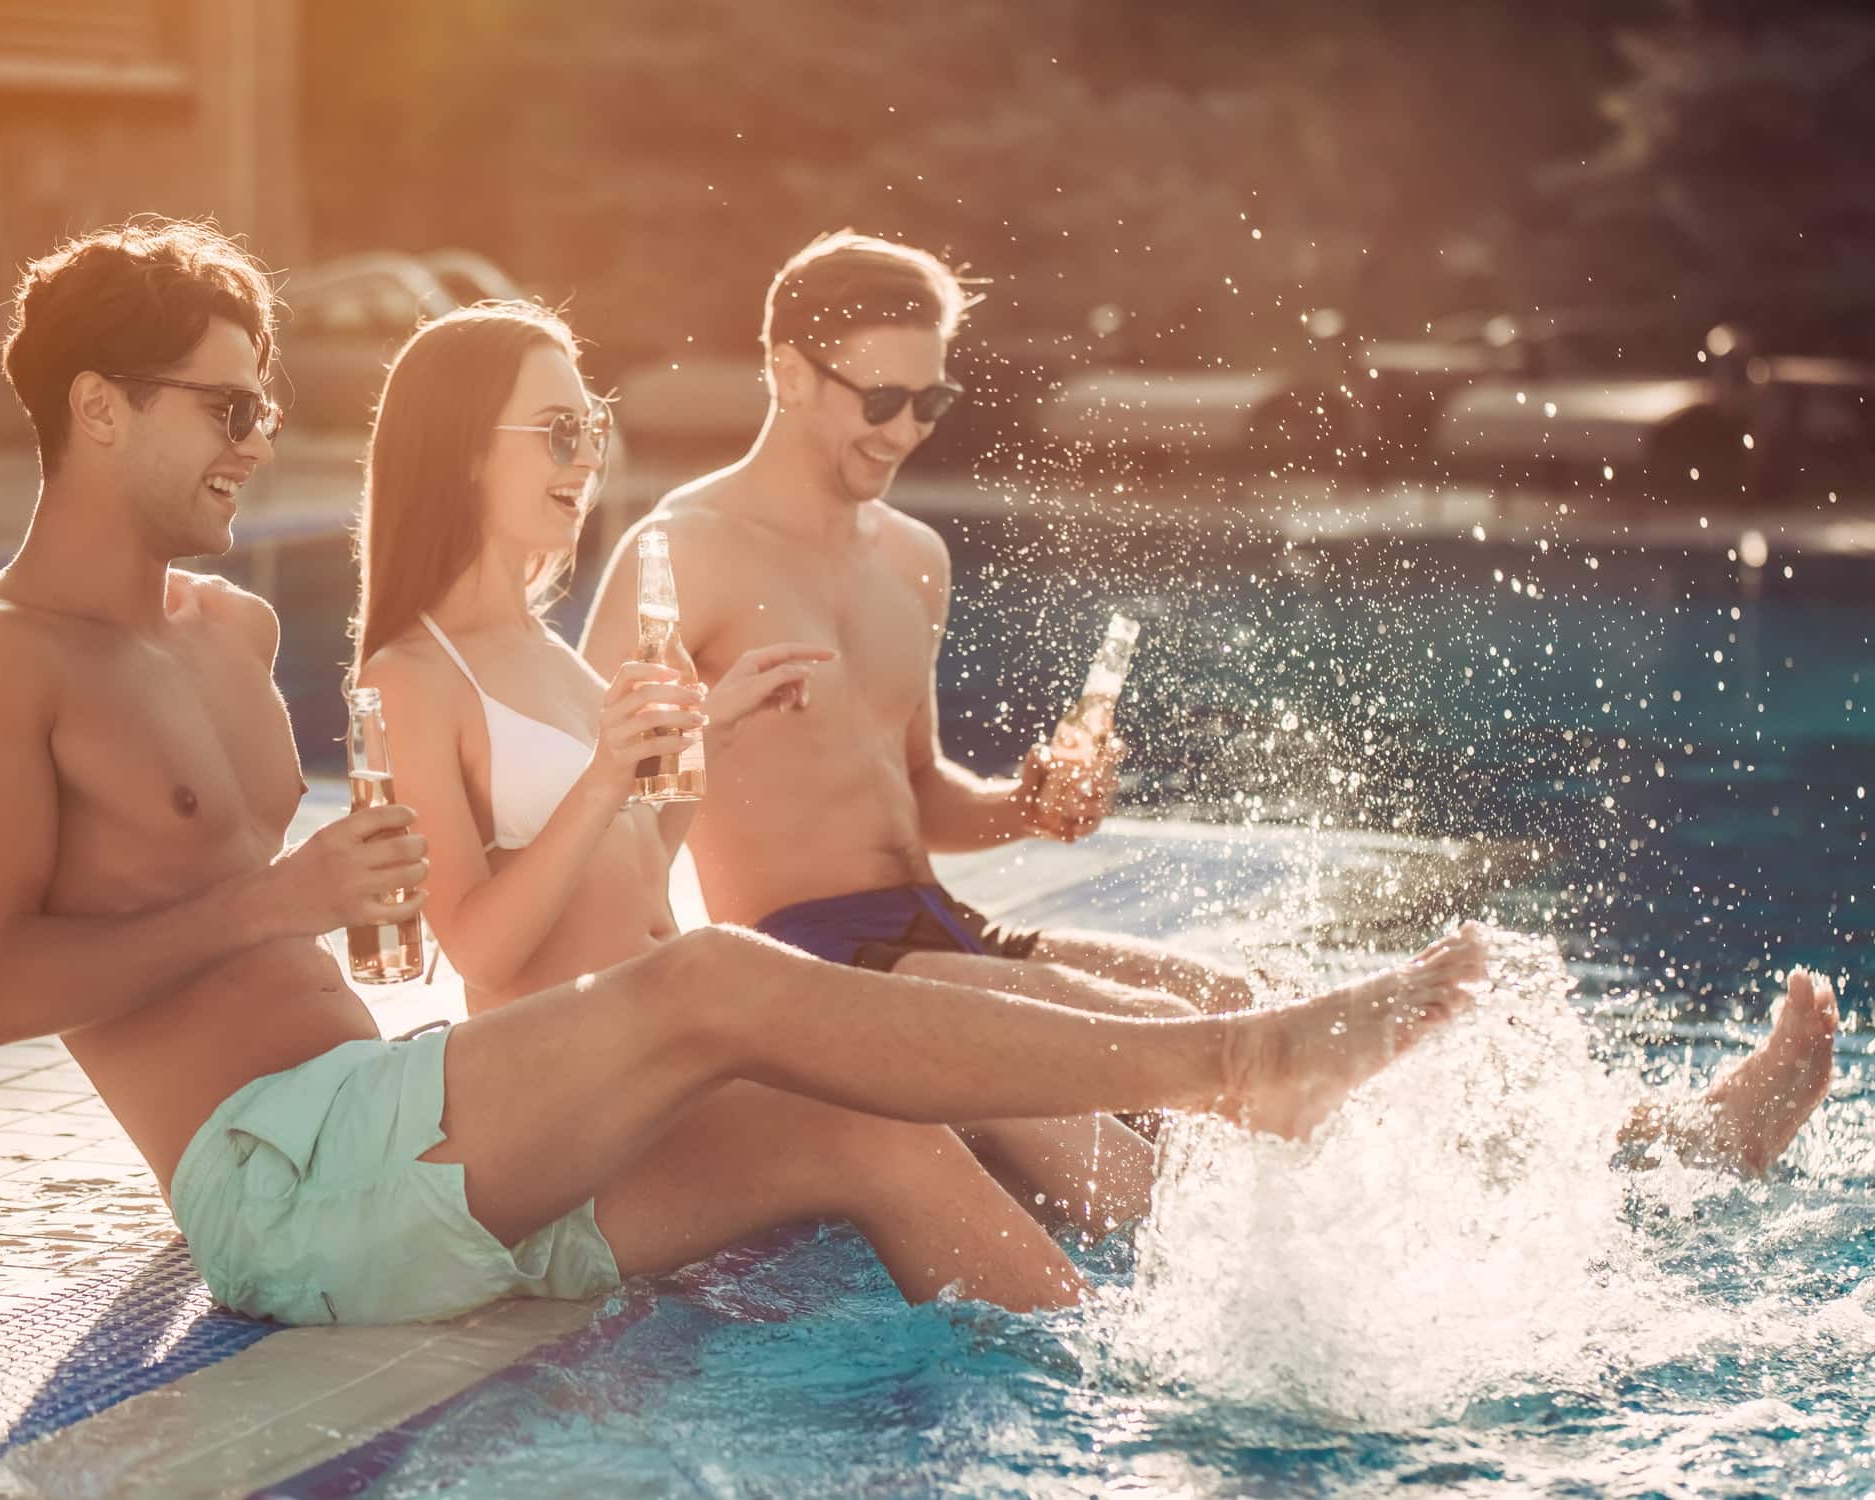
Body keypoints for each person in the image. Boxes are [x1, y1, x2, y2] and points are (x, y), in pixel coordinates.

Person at [0, 223, 1491, 1327]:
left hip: (411, 1136)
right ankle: (1232, 1067)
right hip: (272, 1186)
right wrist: (287, 897)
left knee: (869, 1141)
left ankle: (1105, 1405)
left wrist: (665, 775)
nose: (256, 437)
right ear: (97, 410)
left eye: (270, 404)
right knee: (718, 981)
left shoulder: (229, 628)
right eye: (226, 406)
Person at [579, 229, 1840, 1177]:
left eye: (934, 399)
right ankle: (1499, 1184)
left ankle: (1660, 1139)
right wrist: (697, 736)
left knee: (1246, 996)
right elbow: (587, 811)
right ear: (786, 374)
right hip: (813, 962)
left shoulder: (912, 555)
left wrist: (1028, 804)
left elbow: (916, 798)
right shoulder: (681, 551)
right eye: (880, 398)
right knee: (1178, 1049)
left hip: (937, 925)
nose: (907, 429)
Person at [351, 300, 1507, 1248]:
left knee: (1191, 998)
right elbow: (492, 946)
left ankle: (1389, 1219)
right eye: (555, 432)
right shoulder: (523, 625)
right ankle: (1224, 1242)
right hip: (704, 1015)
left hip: (798, 981)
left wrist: (718, 743)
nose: (586, 457)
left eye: (589, 427)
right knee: (1007, 1066)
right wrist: (627, 767)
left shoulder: (871, 569)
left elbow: (647, 870)